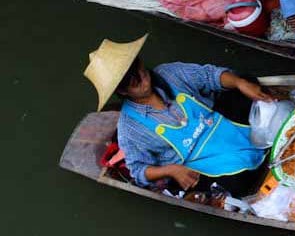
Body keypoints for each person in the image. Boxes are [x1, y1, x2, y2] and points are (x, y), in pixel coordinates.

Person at [83, 35, 273, 196]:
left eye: (135, 68)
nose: (138, 78)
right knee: (237, 185)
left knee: (245, 80)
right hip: (201, 162)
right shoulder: (130, 128)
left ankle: (263, 134)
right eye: (127, 80)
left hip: (219, 124)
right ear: (122, 91)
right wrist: (172, 170)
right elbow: (138, 169)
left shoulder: (168, 73)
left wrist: (239, 83)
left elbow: (209, 76)